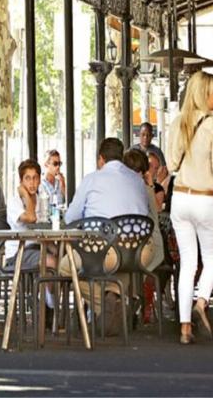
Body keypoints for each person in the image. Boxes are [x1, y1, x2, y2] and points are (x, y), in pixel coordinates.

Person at [62, 138, 152, 332]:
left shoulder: (92, 179)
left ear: (100, 160)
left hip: (103, 251)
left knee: (65, 267)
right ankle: (116, 300)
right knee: (119, 273)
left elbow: (70, 218)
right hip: (137, 252)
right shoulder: (137, 180)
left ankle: (105, 305)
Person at [166, 71, 213, 345]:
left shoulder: (177, 122)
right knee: (212, 258)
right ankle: (201, 301)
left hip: (179, 199)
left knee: (187, 263)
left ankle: (184, 329)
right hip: (204, 199)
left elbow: (170, 165)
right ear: (205, 93)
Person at [4, 159, 57, 317]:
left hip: (40, 248)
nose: (32, 182)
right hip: (19, 254)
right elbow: (31, 218)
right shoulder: (15, 201)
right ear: (21, 181)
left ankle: (49, 305)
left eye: (35, 178)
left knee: (64, 259)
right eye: (27, 178)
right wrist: (26, 196)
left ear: (40, 179)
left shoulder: (43, 199)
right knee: (52, 262)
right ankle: (52, 308)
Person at [122, 149, 165, 324]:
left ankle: (130, 299)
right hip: (145, 245)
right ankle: (132, 299)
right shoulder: (143, 188)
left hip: (146, 246)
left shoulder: (138, 189)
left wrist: (150, 187)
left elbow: (153, 214)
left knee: (126, 264)